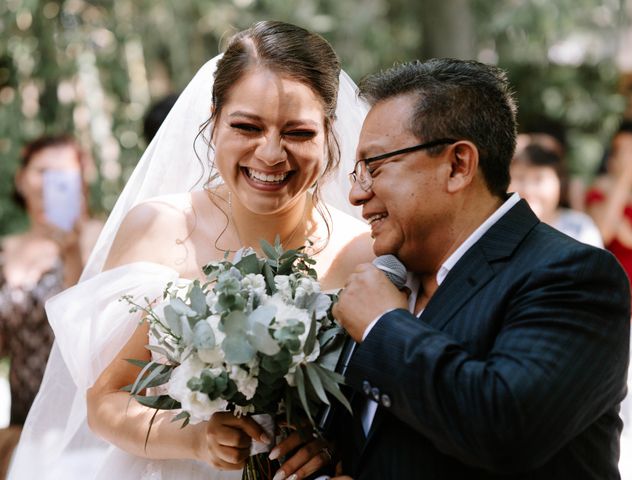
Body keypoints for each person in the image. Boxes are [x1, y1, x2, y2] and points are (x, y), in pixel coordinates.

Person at [8, 21, 372, 480]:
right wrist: (194, 438)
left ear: (328, 132)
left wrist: (331, 445)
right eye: (247, 126)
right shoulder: (158, 228)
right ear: (214, 120)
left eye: (298, 132)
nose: (271, 153)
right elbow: (104, 402)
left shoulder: (362, 252)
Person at [332, 58, 630, 479]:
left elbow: (506, 427)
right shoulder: (383, 276)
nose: (356, 193)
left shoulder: (574, 276)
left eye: (375, 166)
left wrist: (383, 325)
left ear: (458, 165)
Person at [0, 135, 101, 477]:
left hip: (87, 422)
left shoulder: (103, 238)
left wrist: (72, 255)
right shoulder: (5, 251)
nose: (48, 185)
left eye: (61, 174)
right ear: (20, 178)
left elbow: (92, 335)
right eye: (41, 171)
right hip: (24, 424)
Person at [586, 119, 632, 480]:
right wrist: (624, 181)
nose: (630, 158)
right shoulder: (599, 191)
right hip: (618, 316)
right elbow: (603, 231)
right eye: (623, 151)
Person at [509, 142, 602, 247]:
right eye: (519, 178)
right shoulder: (497, 228)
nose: (528, 190)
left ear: (560, 183)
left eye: (538, 179)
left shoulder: (580, 228)